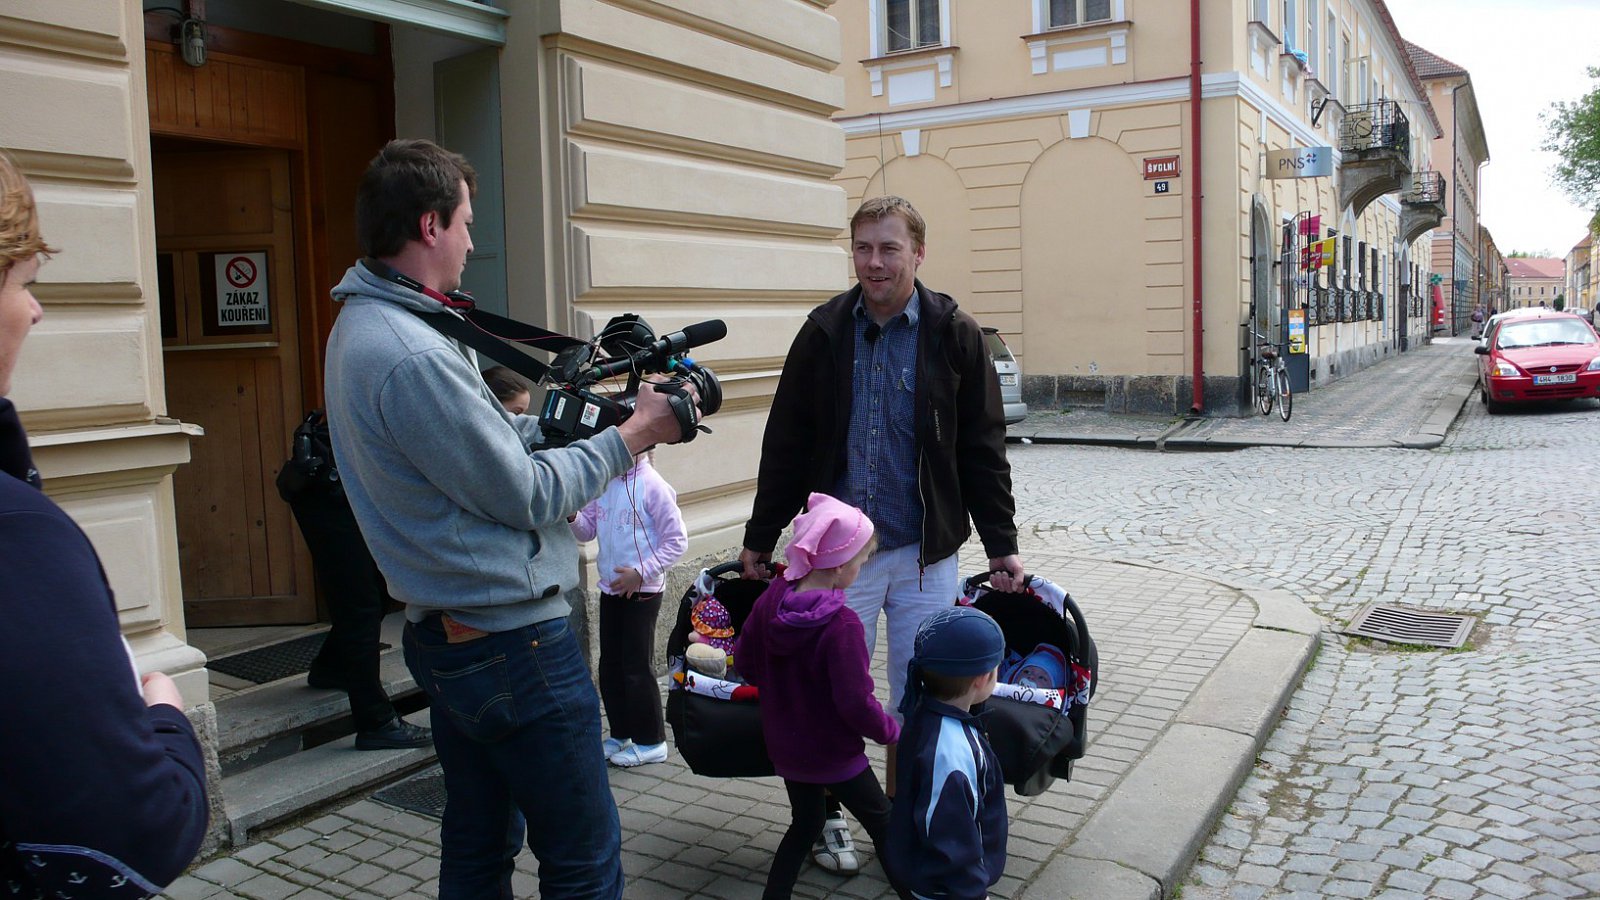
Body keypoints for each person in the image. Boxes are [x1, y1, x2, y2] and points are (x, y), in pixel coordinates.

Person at [322, 138, 696, 899]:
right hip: (511, 645)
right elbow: (526, 494)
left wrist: (598, 423)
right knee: (583, 857)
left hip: (454, 634)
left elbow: (484, 445)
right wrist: (635, 436)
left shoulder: (377, 325)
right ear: (429, 226)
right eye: (464, 222)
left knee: (478, 841)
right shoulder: (408, 351)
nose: (472, 241)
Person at [739, 195, 1023, 872]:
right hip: (841, 567)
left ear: (918, 254)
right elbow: (786, 442)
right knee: (825, 699)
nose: (873, 262)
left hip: (927, 557)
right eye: (863, 247)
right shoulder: (825, 333)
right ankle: (826, 820)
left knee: (923, 699)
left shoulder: (955, 333)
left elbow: (982, 447)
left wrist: (1002, 542)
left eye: (889, 248)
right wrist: (760, 535)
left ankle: (909, 820)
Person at [0, 150, 209, 897]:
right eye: (24, 283)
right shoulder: (20, 537)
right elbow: (138, 827)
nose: (36, 309)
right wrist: (165, 719)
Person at [734, 494, 911, 900]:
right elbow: (854, 702)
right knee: (883, 823)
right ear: (840, 565)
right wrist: (889, 731)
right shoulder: (841, 624)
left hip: (787, 745)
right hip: (835, 754)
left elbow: (745, 661)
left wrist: (783, 690)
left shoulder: (773, 598)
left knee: (807, 823)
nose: (862, 569)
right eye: (862, 562)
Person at [276, 410, 431, 750]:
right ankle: (375, 721)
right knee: (359, 606)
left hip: (344, 492)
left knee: (373, 593)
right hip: (333, 496)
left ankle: (331, 666)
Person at [570, 448, 686, 768]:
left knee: (636, 667)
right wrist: (571, 515)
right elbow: (587, 530)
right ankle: (621, 733)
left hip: (643, 590)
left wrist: (642, 572)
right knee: (610, 666)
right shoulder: (606, 482)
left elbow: (677, 540)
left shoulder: (653, 486)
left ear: (647, 445)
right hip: (611, 588)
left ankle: (652, 741)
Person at [885, 606, 1009, 900]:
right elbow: (951, 836)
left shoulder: (922, 714)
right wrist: (970, 892)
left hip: (927, 875)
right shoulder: (951, 751)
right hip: (945, 890)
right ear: (982, 678)